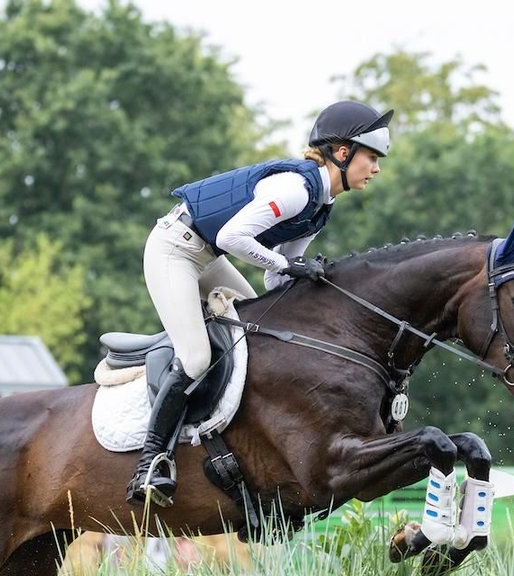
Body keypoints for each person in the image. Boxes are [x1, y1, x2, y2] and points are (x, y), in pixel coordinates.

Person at [126, 100, 394, 507]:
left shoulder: (323, 205)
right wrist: (290, 264)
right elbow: (235, 238)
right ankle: (150, 461)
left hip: (206, 256)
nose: (375, 169)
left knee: (261, 340)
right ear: (343, 153)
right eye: (371, 158)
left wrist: (311, 282)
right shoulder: (295, 189)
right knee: (196, 357)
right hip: (174, 251)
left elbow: (274, 276)